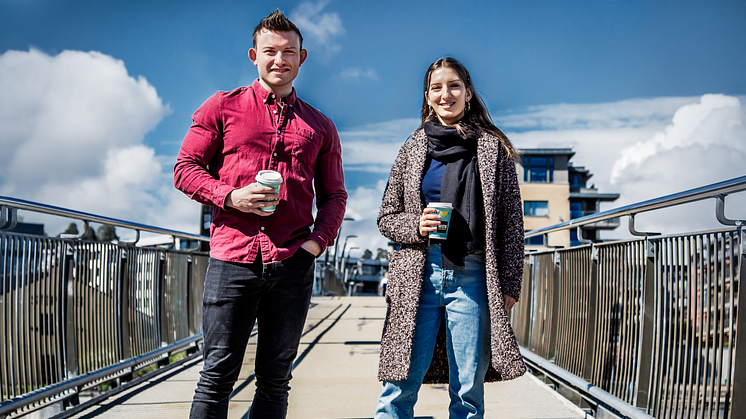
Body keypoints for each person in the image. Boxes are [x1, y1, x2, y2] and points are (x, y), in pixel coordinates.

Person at [173, 10, 347, 419]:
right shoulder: (222, 106)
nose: (279, 60)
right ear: (254, 55)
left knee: (275, 379)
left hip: (293, 262)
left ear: (302, 58)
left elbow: (335, 196)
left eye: (289, 52)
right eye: (270, 51)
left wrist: (314, 245)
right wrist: (231, 196)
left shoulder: (321, 127)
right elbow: (185, 169)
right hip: (232, 258)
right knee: (216, 376)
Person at [374, 57, 526, 419]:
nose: (446, 94)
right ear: (428, 97)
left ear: (468, 94)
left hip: (473, 275)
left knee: (468, 392)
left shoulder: (492, 150)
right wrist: (417, 225)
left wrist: (509, 286)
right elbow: (386, 217)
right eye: (437, 88)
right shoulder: (412, 148)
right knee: (398, 387)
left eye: (454, 86)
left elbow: (512, 226)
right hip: (418, 275)